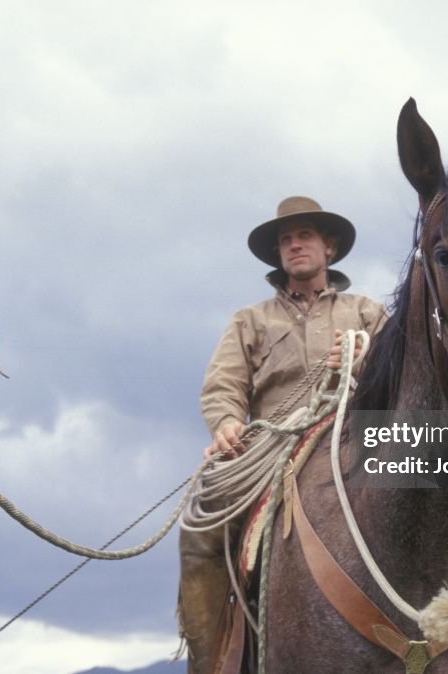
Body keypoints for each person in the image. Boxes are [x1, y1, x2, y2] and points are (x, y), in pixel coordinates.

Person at [178, 196, 385, 673]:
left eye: (305, 235)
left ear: (328, 247)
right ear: (278, 255)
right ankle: (209, 663)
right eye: (286, 240)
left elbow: (402, 376)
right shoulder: (250, 320)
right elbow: (223, 387)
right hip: (273, 446)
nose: (295, 245)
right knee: (202, 519)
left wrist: (363, 359)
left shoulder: (367, 313)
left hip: (358, 435)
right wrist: (228, 422)